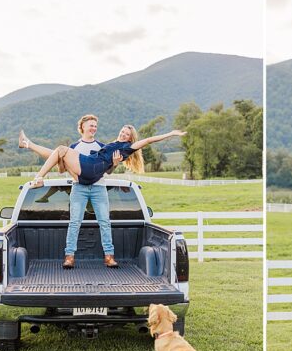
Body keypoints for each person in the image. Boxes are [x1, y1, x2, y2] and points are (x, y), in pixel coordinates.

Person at [18, 115, 123, 269]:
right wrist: (68, 168)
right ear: (82, 127)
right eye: (91, 125)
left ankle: (109, 257)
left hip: (99, 187)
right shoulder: (74, 147)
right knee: (74, 223)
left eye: (95, 125)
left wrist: (114, 164)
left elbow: (108, 172)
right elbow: (62, 169)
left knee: (105, 223)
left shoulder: (103, 147)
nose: (93, 128)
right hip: (79, 187)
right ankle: (69, 257)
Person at [29, 125, 184, 189]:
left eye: (127, 134)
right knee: (59, 154)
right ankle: (54, 166)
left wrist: (171, 134)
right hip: (89, 173)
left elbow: (149, 140)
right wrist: (114, 163)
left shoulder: (127, 147)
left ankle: (38, 178)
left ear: (130, 139)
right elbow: (107, 167)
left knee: (61, 150)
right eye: (123, 131)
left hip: (91, 166)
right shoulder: (114, 144)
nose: (123, 134)